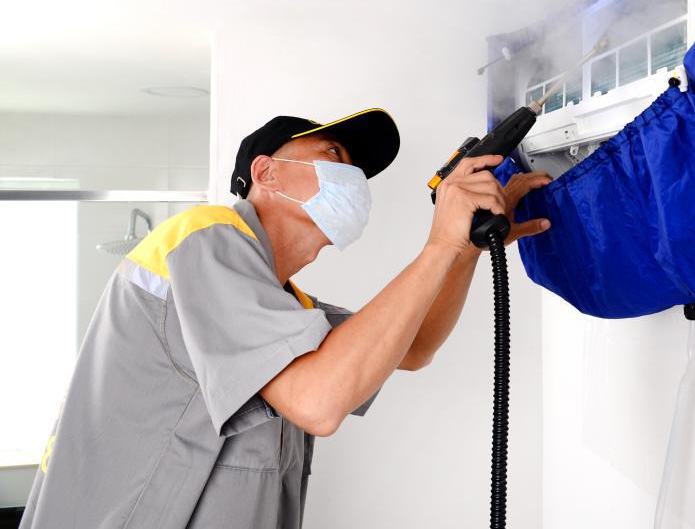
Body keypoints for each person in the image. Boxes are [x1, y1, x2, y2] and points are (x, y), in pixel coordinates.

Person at [18, 109, 552, 529]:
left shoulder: (284, 306)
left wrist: (463, 250)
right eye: (333, 154)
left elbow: (413, 347)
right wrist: (439, 245)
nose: (351, 176)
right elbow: (318, 402)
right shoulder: (203, 236)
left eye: (356, 170)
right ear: (266, 171)